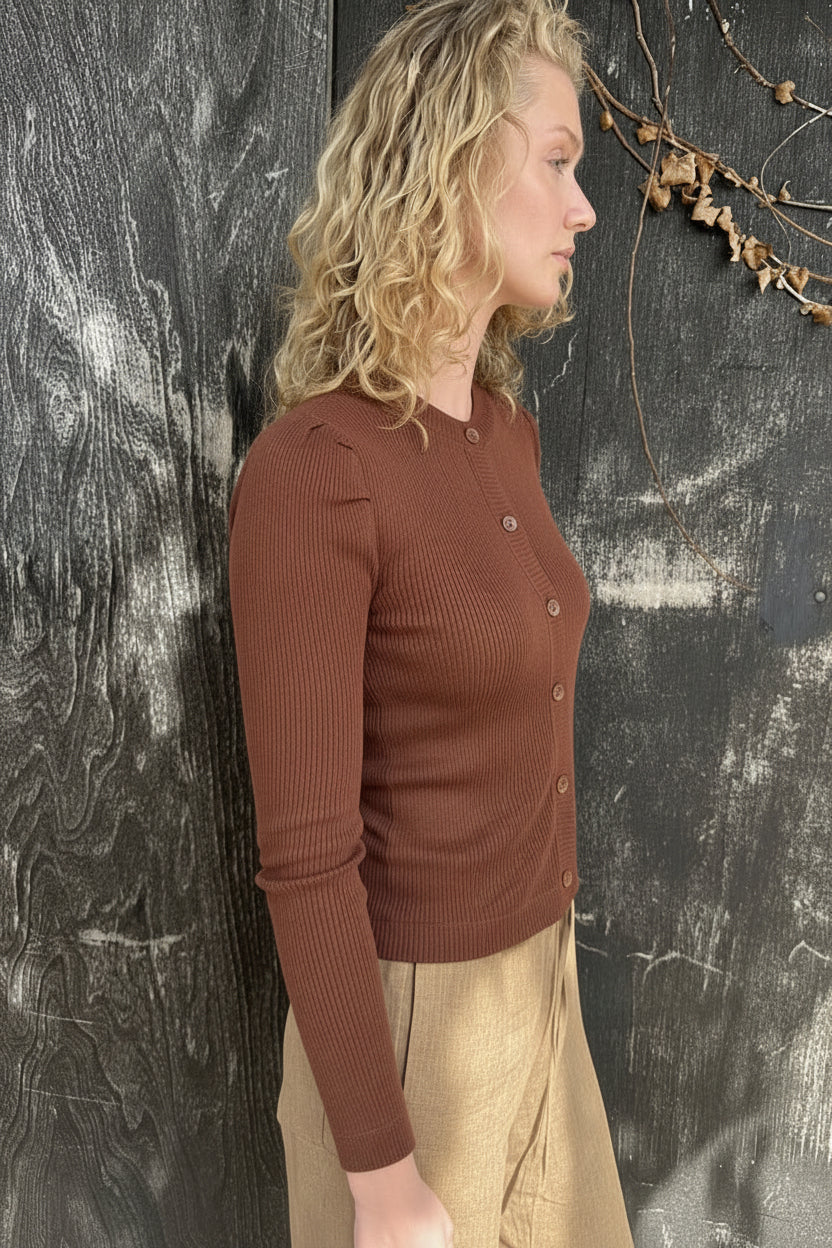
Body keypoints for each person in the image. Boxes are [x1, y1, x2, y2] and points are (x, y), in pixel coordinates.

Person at [228, 1, 634, 1245]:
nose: (583, 207)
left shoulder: (505, 435)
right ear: (455, 158)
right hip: (413, 1049)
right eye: (558, 160)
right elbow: (306, 859)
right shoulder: (315, 468)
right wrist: (384, 1178)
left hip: (542, 995)